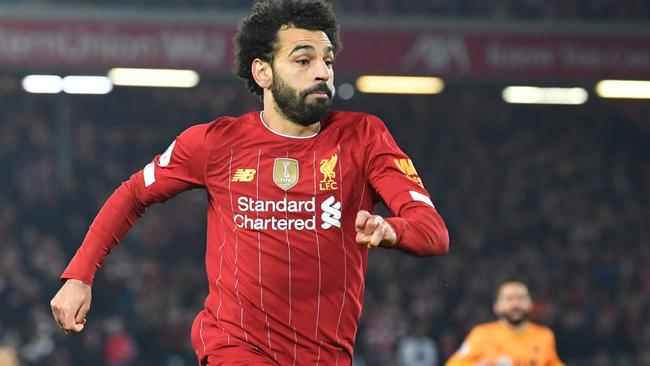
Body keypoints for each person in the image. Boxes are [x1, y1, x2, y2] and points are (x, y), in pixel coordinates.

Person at [50, 0, 450, 364]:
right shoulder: (214, 143)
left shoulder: (364, 137)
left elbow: (433, 233)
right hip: (235, 348)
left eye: (327, 61)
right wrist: (79, 276)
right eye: (303, 60)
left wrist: (390, 230)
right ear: (262, 71)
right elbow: (134, 193)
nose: (322, 72)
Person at [445, 281, 563, 366]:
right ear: (496, 306)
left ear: (530, 304)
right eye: (509, 299)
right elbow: (453, 363)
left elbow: (553, 362)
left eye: (521, 298)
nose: (515, 304)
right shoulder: (482, 334)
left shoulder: (544, 336)